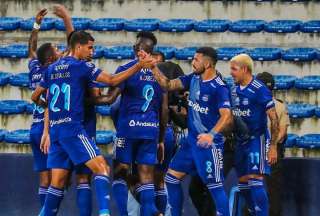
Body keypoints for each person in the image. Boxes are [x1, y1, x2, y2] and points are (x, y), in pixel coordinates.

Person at [31, 30, 153, 216]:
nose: (92, 51)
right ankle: (104, 213)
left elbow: (35, 96)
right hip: (73, 128)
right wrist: (138, 66)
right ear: (78, 47)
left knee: (57, 184)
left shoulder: (52, 68)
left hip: (56, 131)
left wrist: (47, 106)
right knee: (102, 168)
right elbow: (112, 80)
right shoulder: (81, 67)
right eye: (89, 47)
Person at [150, 47, 233, 216]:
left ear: (208, 63)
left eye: (196, 60)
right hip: (191, 142)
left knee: (215, 187)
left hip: (209, 145)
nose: (192, 62)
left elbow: (227, 116)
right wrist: (152, 67)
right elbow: (167, 84)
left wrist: (211, 135)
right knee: (171, 179)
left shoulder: (219, 87)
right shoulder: (193, 78)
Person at [109, 31, 167, 216]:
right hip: (151, 130)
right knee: (147, 178)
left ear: (139, 49)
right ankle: (153, 212)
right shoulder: (160, 75)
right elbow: (164, 110)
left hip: (128, 129)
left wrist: (90, 99)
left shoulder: (126, 69)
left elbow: (111, 99)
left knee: (120, 174)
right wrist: (161, 139)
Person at [229, 54, 279, 216]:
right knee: (243, 183)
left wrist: (272, 146)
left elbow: (274, 118)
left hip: (257, 140)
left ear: (244, 69)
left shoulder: (260, 89)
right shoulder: (233, 90)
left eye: (234, 69)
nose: (231, 73)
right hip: (240, 142)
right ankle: (253, 211)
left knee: (255, 179)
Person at [28, 8, 59, 210]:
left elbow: (31, 49)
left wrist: (36, 25)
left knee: (44, 179)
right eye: (57, 50)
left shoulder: (34, 68)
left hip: (35, 128)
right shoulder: (55, 70)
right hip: (50, 129)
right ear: (50, 59)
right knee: (58, 179)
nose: (61, 51)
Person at [256, 72, 290, 216]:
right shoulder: (279, 105)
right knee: (270, 190)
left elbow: (282, 132)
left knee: (263, 189)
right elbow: (283, 132)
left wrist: (271, 147)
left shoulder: (279, 106)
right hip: (267, 150)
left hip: (265, 151)